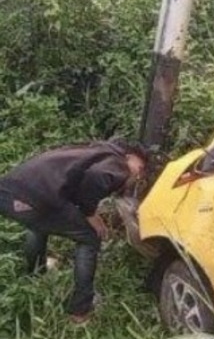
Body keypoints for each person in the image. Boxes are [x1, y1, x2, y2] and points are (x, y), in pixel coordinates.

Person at [0, 139, 148, 324]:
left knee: (38, 224)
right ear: (129, 156)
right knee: (90, 238)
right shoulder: (118, 163)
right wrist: (90, 215)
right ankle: (80, 310)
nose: (138, 174)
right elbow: (97, 176)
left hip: (10, 192)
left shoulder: (91, 150)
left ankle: (35, 274)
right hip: (38, 199)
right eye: (140, 167)